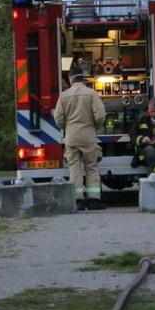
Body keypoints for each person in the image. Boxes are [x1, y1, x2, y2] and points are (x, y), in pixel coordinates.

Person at [54, 70, 106, 210]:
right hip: (88, 135)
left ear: (70, 78)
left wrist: (67, 127)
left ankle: (77, 200)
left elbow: (58, 118)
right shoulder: (91, 94)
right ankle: (94, 200)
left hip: (71, 136)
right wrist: (95, 126)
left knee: (74, 168)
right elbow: (100, 115)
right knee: (91, 166)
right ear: (83, 78)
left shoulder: (64, 96)